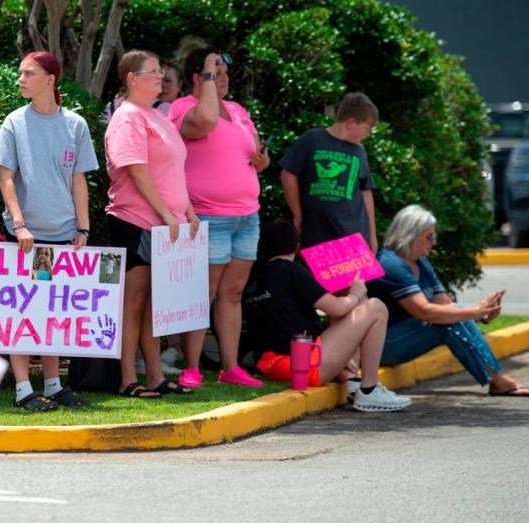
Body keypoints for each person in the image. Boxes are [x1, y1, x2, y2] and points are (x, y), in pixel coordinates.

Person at [0, 51, 98, 411]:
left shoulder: (76, 125)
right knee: (19, 312)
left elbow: (78, 179)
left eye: (27, 73)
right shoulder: (14, 122)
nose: (20, 79)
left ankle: (54, 384)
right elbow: (7, 178)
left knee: (53, 313)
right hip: (24, 238)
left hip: (63, 234)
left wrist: (83, 226)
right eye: (19, 73)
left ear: (50, 79)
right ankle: (23, 390)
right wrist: (19, 225)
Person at [169, 47, 267, 388]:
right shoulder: (183, 109)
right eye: (215, 72)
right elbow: (205, 122)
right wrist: (208, 74)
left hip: (246, 216)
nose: (223, 79)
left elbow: (257, 153)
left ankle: (230, 367)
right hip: (208, 216)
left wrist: (262, 159)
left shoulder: (238, 110)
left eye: (224, 73)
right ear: (198, 78)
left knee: (233, 293)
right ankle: (192, 367)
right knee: (202, 293)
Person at [105, 49, 200, 399]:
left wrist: (186, 210)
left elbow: (172, 172)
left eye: (161, 71)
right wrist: (163, 212)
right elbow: (137, 170)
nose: (161, 76)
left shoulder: (158, 116)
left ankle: (156, 375)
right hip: (135, 220)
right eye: (153, 71)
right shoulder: (128, 117)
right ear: (132, 78)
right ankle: (128, 377)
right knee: (134, 301)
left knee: (155, 304)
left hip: (165, 225)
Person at [244, 219, 412, 412]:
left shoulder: (254, 275)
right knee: (375, 307)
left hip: (269, 364)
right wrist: (356, 292)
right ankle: (369, 389)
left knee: (345, 307)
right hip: (302, 365)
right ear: (297, 245)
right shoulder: (291, 271)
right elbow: (338, 309)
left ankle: (352, 380)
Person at [368, 204, 529, 395]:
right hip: (382, 346)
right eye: (429, 237)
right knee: (446, 323)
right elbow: (424, 312)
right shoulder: (390, 263)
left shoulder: (420, 262)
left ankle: (498, 379)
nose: (434, 242)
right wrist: (475, 311)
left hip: (405, 338)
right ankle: (498, 380)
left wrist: (482, 315)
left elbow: (445, 305)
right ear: (409, 235)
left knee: (453, 316)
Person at [279, 92, 379, 252]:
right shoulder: (312, 139)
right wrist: (298, 215)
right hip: (317, 234)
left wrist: (372, 236)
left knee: (355, 278)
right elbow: (288, 174)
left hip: (353, 237)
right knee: (317, 277)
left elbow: (365, 191)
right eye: (367, 128)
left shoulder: (359, 151)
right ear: (350, 123)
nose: (368, 134)